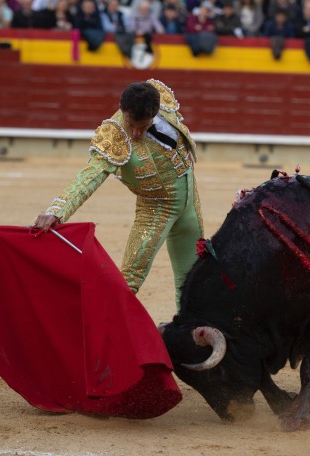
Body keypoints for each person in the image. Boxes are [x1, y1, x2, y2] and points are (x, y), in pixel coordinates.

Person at [32, 80, 203, 307]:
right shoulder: (114, 136)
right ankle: (96, 334)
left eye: (142, 126)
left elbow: (177, 125)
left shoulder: (161, 100)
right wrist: (57, 211)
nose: (135, 132)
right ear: (122, 110)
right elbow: (90, 176)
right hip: (156, 210)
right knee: (128, 282)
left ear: (155, 112)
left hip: (191, 203)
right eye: (131, 123)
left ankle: (187, 336)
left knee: (193, 279)